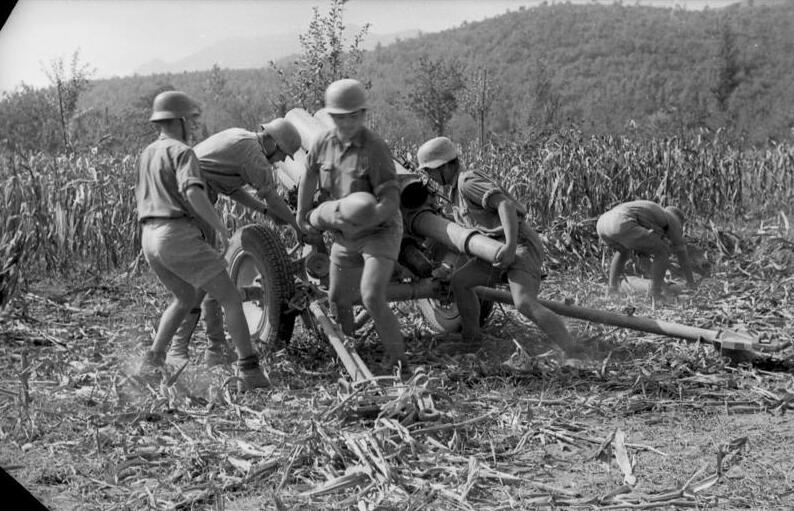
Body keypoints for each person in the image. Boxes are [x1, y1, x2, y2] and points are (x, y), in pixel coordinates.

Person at [134, 90, 269, 391]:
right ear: (180, 120)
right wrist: (219, 227)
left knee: (184, 298)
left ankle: (152, 361)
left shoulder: (147, 153)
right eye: (191, 120)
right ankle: (249, 371)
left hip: (149, 238)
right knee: (231, 298)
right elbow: (193, 192)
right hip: (176, 234)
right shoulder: (183, 152)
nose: (193, 126)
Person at [416, 136, 584, 361]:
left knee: (523, 302)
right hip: (494, 249)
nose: (429, 177)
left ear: (444, 166)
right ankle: (471, 341)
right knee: (461, 281)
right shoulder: (456, 193)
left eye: (430, 171)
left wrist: (510, 246)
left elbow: (505, 205)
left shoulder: (467, 182)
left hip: (519, 245)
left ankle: (572, 349)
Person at [166, 118, 306, 368]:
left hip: (188, 195)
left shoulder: (241, 138)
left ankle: (214, 348)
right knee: (207, 275)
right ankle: (186, 350)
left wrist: (264, 211)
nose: (282, 161)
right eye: (283, 154)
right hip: (189, 200)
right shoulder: (254, 156)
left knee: (209, 274)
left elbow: (232, 189)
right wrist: (297, 226)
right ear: (272, 141)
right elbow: (271, 195)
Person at [296, 78, 407, 372]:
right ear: (331, 117)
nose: (347, 122)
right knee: (338, 297)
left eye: (354, 116)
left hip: (380, 232)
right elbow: (309, 174)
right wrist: (302, 213)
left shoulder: (375, 148)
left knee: (371, 296)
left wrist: (371, 216)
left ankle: (399, 362)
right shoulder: (322, 143)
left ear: (363, 114)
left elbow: (391, 198)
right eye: (341, 117)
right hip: (345, 233)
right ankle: (350, 351)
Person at [596, 200, 695, 300]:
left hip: (602, 224)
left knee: (623, 251)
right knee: (663, 251)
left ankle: (612, 290)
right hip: (621, 221)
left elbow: (645, 261)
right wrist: (691, 283)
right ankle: (655, 295)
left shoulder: (654, 215)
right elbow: (682, 254)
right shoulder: (673, 219)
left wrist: (663, 285)